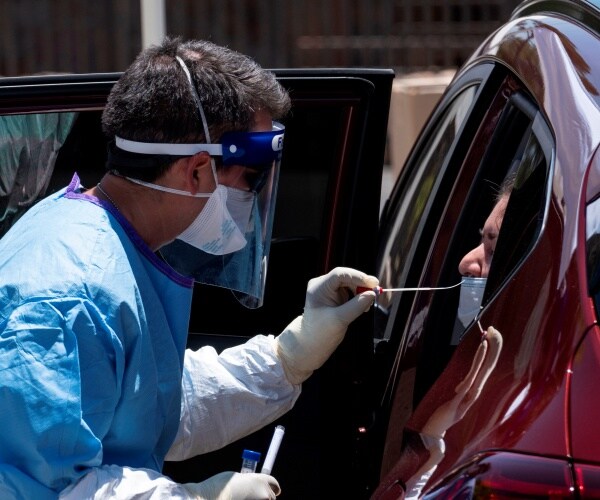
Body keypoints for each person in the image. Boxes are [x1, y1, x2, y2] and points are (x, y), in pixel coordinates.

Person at [0, 37, 379, 499]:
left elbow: (152, 404)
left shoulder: (108, 241)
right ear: (197, 170)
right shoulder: (67, 296)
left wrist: (287, 357)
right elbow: (48, 489)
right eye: (252, 179)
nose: (253, 199)